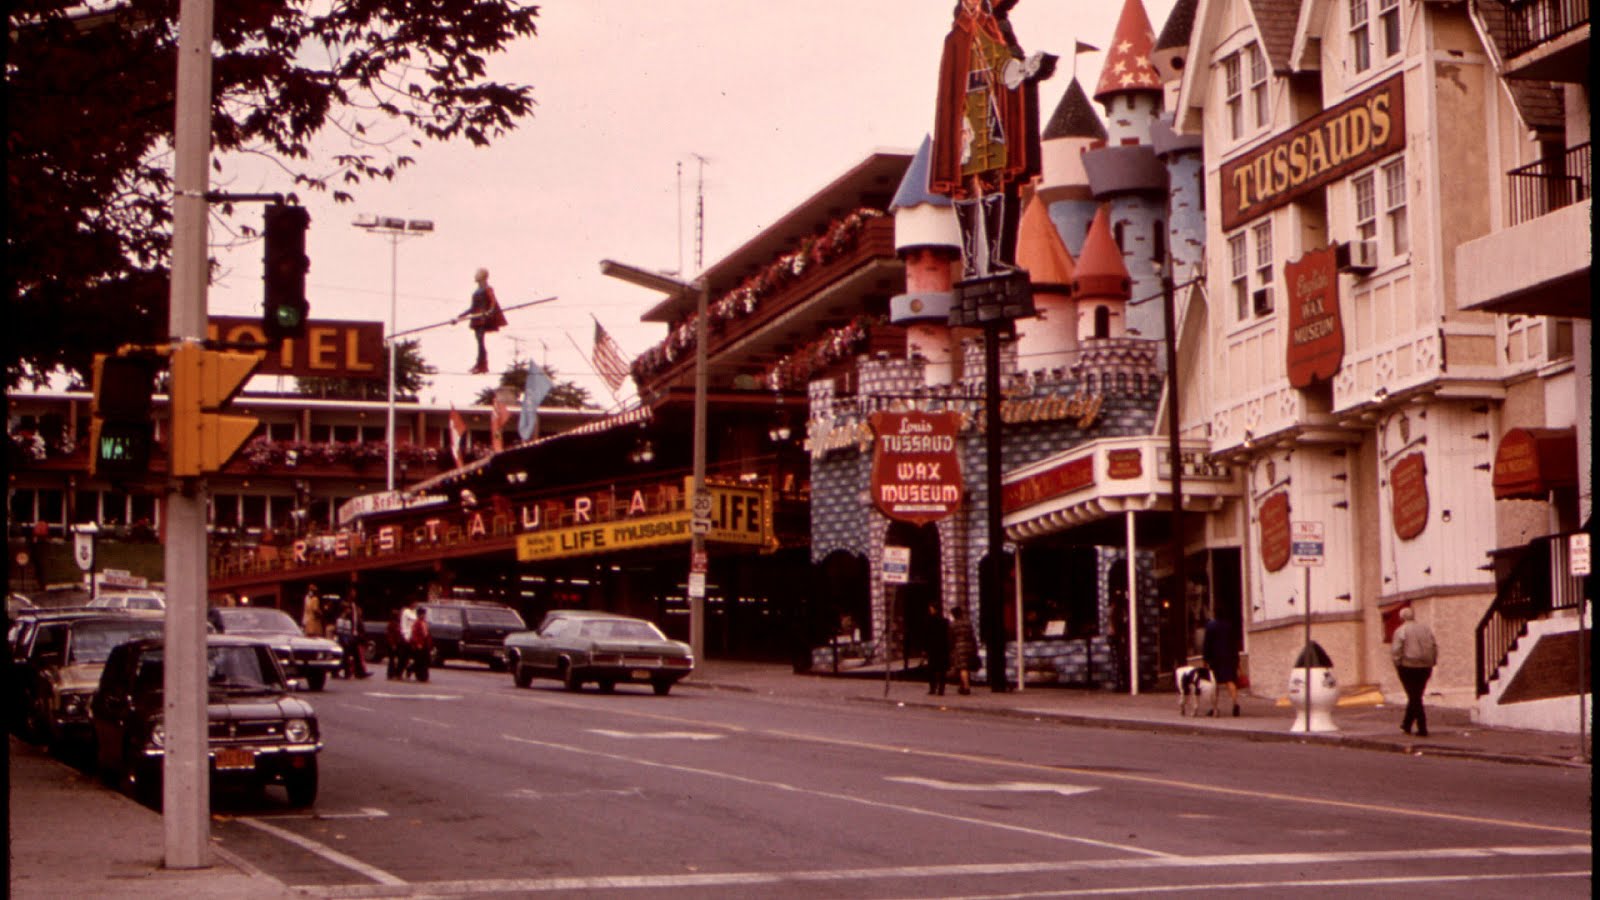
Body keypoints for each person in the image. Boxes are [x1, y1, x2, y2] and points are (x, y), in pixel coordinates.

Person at [929, 0, 1055, 280]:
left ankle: (995, 259)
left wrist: (1027, 69)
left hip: (989, 111)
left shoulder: (992, 30)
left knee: (992, 180)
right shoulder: (956, 39)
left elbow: (1003, 67)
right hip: (966, 116)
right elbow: (951, 88)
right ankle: (973, 264)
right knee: (964, 186)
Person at [1391, 606, 1437, 737]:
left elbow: (1396, 650)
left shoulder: (1401, 631)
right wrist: (1433, 661)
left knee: (1414, 696)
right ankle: (1406, 724)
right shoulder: (1426, 629)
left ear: (1401, 618)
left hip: (1408, 666)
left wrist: (1397, 663)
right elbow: (1434, 645)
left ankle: (1422, 727)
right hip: (1426, 666)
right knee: (1416, 694)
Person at [458, 267, 506, 375]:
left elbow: (493, 302)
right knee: (479, 342)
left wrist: (489, 311)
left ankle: (482, 365)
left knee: (480, 342)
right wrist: (462, 315)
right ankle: (480, 364)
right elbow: (472, 307)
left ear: (483, 276)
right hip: (476, 318)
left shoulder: (487, 288)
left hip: (482, 319)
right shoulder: (476, 291)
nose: (475, 275)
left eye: (477, 274)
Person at [1202, 614, 1241, 718]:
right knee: (1230, 681)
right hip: (1229, 657)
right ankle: (1235, 703)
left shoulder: (1210, 626)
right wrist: (1237, 660)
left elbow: (1206, 644)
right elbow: (1234, 643)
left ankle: (1214, 708)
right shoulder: (1229, 625)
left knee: (1214, 685)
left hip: (1215, 659)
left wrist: (1205, 659)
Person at [949, 606, 979, 695]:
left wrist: (951, 649)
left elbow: (951, 638)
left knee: (962, 668)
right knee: (966, 668)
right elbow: (973, 636)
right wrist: (975, 647)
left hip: (959, 647)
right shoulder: (968, 623)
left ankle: (966, 687)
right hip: (969, 646)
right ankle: (962, 686)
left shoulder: (953, 625)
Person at [924, 602, 951, 696]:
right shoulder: (945, 621)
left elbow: (926, 636)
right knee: (942, 670)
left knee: (932, 669)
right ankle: (941, 689)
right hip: (942, 648)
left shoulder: (929, 621)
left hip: (933, 648)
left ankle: (932, 688)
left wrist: (925, 648)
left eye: (931, 608)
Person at [408, 606, 434, 682]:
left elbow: (427, 634)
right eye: (422, 614)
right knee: (419, 661)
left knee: (425, 661)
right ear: (419, 615)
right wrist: (418, 643)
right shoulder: (416, 623)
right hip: (419, 644)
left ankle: (424, 676)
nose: (423, 616)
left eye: (424, 614)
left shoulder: (425, 623)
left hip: (425, 644)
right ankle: (419, 675)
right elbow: (414, 634)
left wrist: (429, 643)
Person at [386, 607, 406, 680]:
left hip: (398, 643)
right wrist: (392, 644)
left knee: (399, 659)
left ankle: (395, 673)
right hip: (393, 644)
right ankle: (391, 674)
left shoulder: (398, 624)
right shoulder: (392, 624)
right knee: (392, 660)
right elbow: (390, 635)